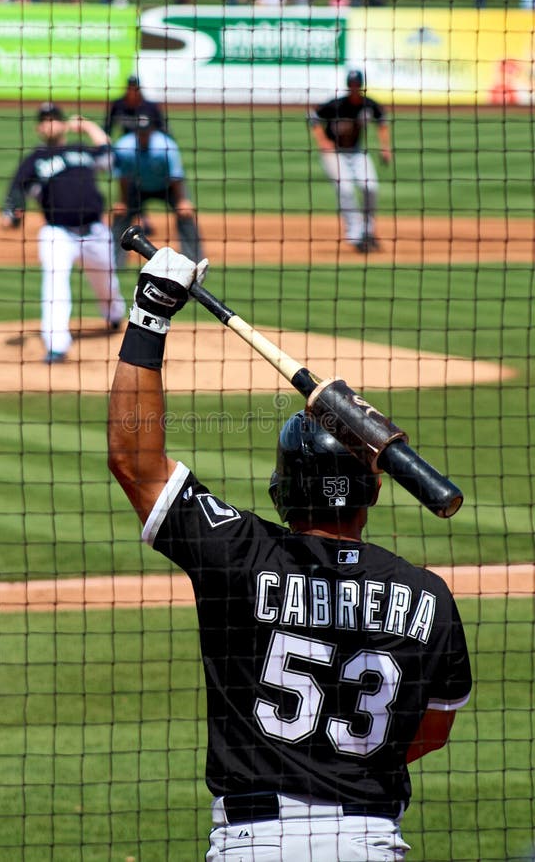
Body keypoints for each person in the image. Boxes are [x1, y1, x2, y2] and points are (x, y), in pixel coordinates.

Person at [107, 247, 473, 861]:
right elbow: (430, 732)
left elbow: (134, 464)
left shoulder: (238, 552)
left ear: (281, 490)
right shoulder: (427, 596)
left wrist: (151, 314)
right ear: (376, 486)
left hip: (256, 842)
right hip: (370, 841)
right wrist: (334, 756)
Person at [1, 102, 126, 363]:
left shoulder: (80, 149)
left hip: (95, 232)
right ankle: (56, 344)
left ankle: (114, 316)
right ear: (38, 127)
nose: (50, 124)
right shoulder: (34, 159)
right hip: (57, 234)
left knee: (107, 283)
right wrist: (12, 212)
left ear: (63, 123)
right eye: (44, 120)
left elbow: (110, 156)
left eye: (54, 119)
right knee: (55, 285)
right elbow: (16, 190)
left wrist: (89, 126)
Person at [310, 69, 392, 253]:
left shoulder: (368, 105)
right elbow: (313, 116)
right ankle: (355, 235)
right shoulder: (336, 105)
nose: (354, 88)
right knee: (345, 189)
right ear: (348, 86)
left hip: (356, 153)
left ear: (361, 86)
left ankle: (368, 232)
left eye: (356, 85)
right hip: (334, 154)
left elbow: (382, 121)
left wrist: (385, 146)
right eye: (351, 85)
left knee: (370, 187)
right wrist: (323, 141)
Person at [111, 115, 204, 268]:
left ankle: (194, 261)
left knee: (185, 214)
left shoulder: (166, 145)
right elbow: (123, 177)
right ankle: (114, 262)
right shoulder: (124, 146)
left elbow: (175, 177)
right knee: (120, 216)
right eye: (140, 133)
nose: (143, 136)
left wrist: (182, 201)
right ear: (135, 132)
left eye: (146, 132)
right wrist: (123, 201)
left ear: (152, 130)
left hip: (167, 187)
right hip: (138, 187)